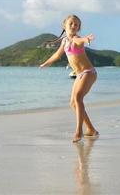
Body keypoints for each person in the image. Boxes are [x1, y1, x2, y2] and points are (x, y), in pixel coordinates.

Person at [39, 14, 99, 143]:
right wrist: (46, 63)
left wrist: (86, 39)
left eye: (76, 24)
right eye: (71, 23)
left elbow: (80, 40)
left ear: (78, 28)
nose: (74, 26)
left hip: (89, 72)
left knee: (78, 98)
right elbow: (57, 55)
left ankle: (79, 131)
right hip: (80, 74)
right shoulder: (65, 41)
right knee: (73, 103)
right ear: (64, 25)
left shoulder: (76, 39)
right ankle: (91, 129)